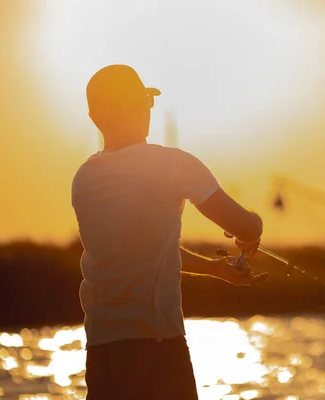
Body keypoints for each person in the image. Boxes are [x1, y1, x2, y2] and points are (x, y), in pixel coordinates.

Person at [71, 64, 268, 400]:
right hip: (157, 351)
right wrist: (251, 233)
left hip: (102, 355)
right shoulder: (173, 164)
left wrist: (214, 268)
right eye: (146, 102)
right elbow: (245, 226)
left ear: (93, 116)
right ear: (137, 107)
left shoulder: (84, 179)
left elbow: (143, 249)